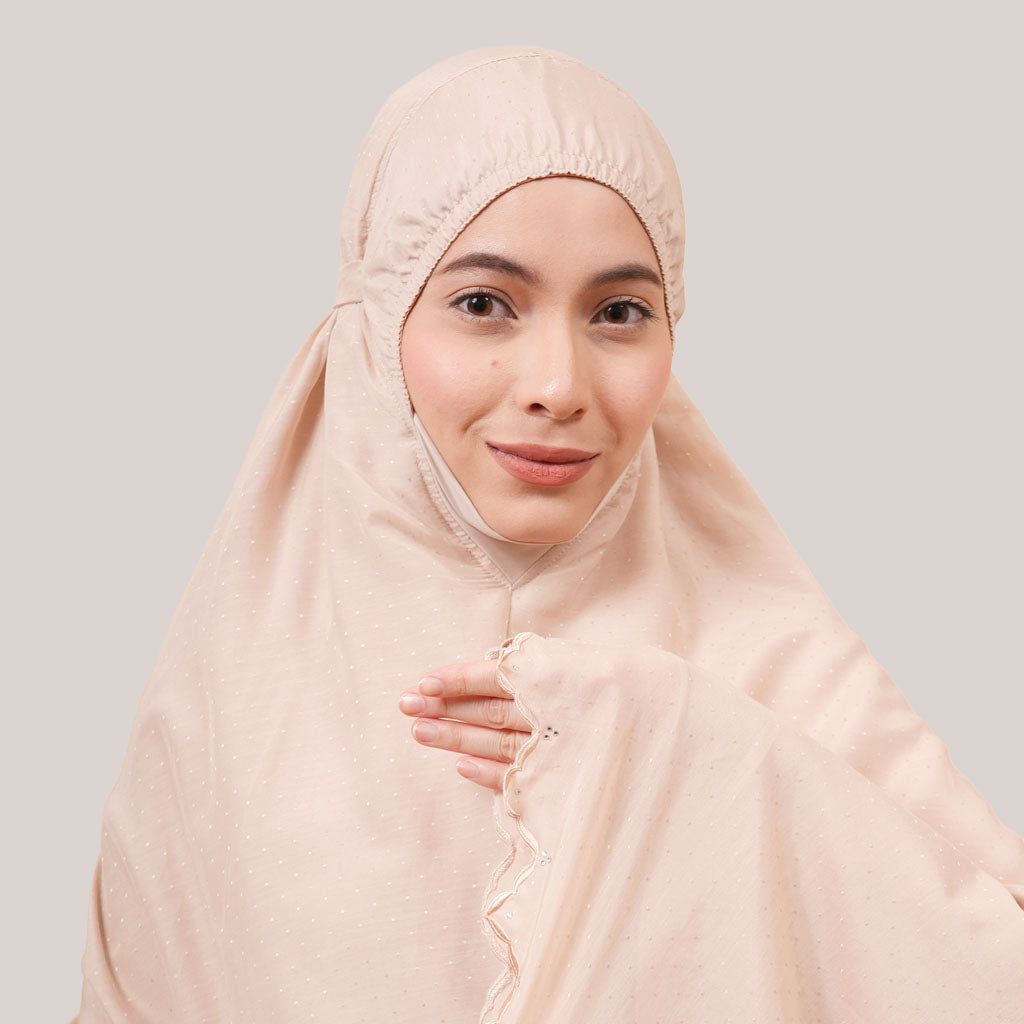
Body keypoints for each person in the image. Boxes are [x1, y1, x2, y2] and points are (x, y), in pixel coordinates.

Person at [74, 45, 1024, 1023]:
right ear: (379, 326)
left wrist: (692, 757)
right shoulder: (231, 704)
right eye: (483, 304)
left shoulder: (769, 657)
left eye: (618, 312)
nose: (559, 386)